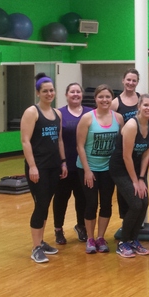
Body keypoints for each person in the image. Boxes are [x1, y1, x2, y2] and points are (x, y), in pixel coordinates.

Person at [20, 73, 67, 263]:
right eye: (45, 91)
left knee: (46, 204)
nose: (49, 94)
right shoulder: (32, 112)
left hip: (54, 166)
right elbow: (25, 141)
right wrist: (32, 166)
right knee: (40, 205)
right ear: (38, 93)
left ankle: (41, 241)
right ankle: (35, 247)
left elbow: (59, 139)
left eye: (51, 90)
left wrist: (63, 162)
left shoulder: (57, 113)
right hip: (38, 167)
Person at [76, 84, 124, 254]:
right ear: (95, 99)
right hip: (88, 168)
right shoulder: (87, 118)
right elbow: (80, 146)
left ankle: (101, 237)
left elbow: (121, 144)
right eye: (101, 97)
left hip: (108, 169)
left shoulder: (118, 118)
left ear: (112, 99)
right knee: (91, 203)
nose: (104, 100)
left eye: (107, 97)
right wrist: (87, 170)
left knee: (106, 203)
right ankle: (90, 238)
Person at [110, 94, 149, 258]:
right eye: (146, 105)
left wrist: (142, 178)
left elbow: (146, 154)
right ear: (139, 106)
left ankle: (134, 240)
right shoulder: (131, 125)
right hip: (120, 169)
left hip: (137, 169)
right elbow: (126, 156)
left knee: (144, 203)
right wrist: (135, 181)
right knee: (136, 204)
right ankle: (123, 242)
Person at [53, 83, 91, 245]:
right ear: (66, 95)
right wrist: (62, 162)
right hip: (65, 165)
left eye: (78, 92)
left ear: (82, 94)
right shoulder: (59, 113)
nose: (75, 94)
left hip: (84, 164)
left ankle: (81, 226)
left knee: (82, 198)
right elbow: (57, 139)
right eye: (72, 92)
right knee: (61, 198)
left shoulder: (90, 113)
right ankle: (58, 229)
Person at [111, 68, 141, 221]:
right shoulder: (115, 103)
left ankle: (138, 222)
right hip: (123, 151)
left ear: (137, 82)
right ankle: (126, 221)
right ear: (123, 80)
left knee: (140, 187)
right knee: (125, 189)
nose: (131, 83)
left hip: (139, 151)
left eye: (134, 80)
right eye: (128, 79)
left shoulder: (141, 100)